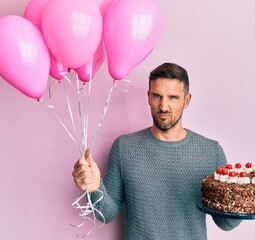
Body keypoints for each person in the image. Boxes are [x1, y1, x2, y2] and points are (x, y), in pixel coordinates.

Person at [72, 62, 242, 239]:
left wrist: (240, 195)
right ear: (148, 97)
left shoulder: (210, 152)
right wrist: (94, 188)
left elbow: (227, 224)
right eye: (157, 96)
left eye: (173, 97)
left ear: (187, 100)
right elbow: (106, 214)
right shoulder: (124, 147)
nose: (163, 106)